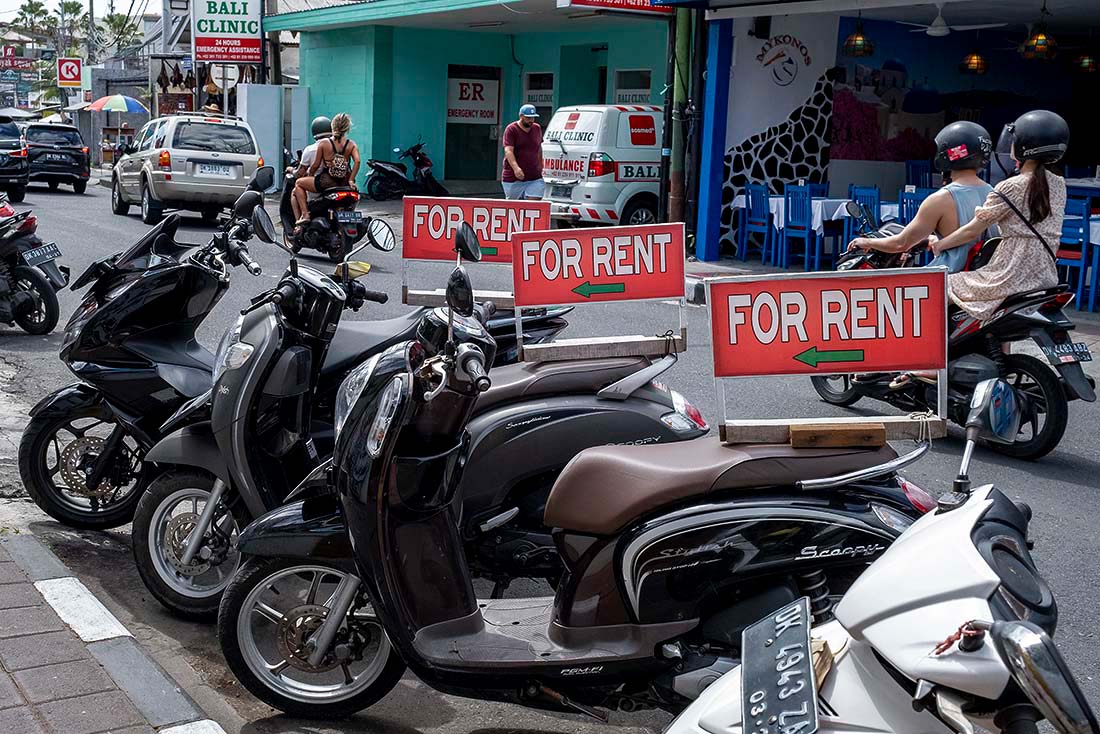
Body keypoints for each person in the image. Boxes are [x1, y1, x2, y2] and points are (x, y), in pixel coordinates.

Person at [928, 109, 1068, 321]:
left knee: (939, 285)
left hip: (1009, 275)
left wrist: (940, 245)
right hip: (1046, 275)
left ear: (1023, 145)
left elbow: (972, 231)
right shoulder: (1059, 184)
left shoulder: (1010, 186)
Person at [849, 121, 995, 273]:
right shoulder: (994, 193)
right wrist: (936, 241)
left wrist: (866, 242)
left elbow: (901, 243)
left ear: (948, 154)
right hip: (985, 277)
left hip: (948, 279)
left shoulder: (940, 199)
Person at [293, 113, 359, 230]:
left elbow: (315, 165)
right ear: (347, 128)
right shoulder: (351, 144)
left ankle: (305, 215)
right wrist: (351, 180)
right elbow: (357, 161)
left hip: (327, 182)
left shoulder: (324, 143)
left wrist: (311, 175)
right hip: (344, 183)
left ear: (332, 127)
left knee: (298, 183)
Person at [289, 116, 332, 222]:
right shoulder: (339, 146)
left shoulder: (311, 149)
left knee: (297, 186)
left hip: (321, 184)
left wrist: (291, 170)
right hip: (340, 183)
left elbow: (300, 173)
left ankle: (304, 216)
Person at [501, 104, 544, 200]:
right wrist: (516, 168)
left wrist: (541, 164)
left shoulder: (537, 128)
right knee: (513, 207)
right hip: (513, 178)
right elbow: (508, 150)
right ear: (521, 116)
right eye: (528, 118)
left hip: (534, 176)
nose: (531, 120)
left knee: (534, 203)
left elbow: (539, 147)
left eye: (533, 118)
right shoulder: (511, 129)